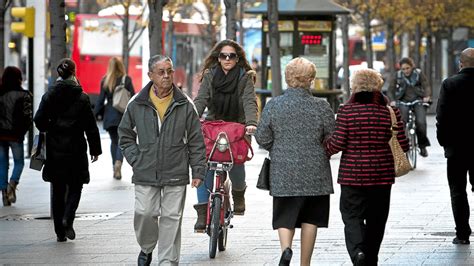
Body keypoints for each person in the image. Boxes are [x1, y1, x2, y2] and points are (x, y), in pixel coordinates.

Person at [118, 55, 206, 265]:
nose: (167, 76)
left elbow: (195, 139)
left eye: (169, 70)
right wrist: (136, 159)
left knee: (171, 219)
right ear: (150, 75)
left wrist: (198, 170)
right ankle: (147, 247)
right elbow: (124, 135)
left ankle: (167, 261)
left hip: (175, 170)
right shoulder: (136, 103)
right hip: (145, 170)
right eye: (161, 72)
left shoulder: (185, 104)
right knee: (144, 212)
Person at [255, 57, 335, 266]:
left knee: (284, 216)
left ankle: (286, 249)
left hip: (283, 171)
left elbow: (262, 138)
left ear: (287, 78)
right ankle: (305, 263)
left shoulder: (274, 105)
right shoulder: (322, 106)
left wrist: (278, 147)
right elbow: (332, 137)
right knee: (311, 219)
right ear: (311, 79)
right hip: (315, 172)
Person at [325, 69, 409, 265]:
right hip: (381, 175)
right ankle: (371, 258)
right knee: (377, 220)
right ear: (378, 86)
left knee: (352, 216)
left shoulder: (347, 111)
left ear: (355, 87)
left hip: (352, 175)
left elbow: (337, 144)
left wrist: (324, 148)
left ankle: (358, 254)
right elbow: (403, 144)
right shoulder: (390, 111)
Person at [34, 58, 102, 242]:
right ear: (74, 73)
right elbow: (91, 126)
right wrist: (95, 149)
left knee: (57, 188)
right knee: (75, 185)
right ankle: (68, 218)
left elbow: (38, 120)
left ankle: (59, 232)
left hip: (55, 149)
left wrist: (52, 127)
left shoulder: (49, 96)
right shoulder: (82, 97)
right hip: (76, 148)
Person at [192, 39, 258, 230]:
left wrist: (251, 124)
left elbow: (249, 102)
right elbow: (201, 100)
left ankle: (238, 194)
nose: (227, 59)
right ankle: (203, 212)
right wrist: (192, 118)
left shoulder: (245, 77)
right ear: (218, 58)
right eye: (223, 55)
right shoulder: (210, 76)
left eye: (231, 56)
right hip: (214, 127)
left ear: (238, 59)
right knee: (205, 166)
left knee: (236, 162)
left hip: (239, 127)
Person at [436, 47, 474, 245]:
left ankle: (462, 233)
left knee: (458, 190)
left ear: (460, 64)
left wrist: (444, 142)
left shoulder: (450, 84)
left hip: (457, 148)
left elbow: (441, 116)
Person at [94, 57, 135, 180]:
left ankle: (114, 166)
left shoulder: (105, 80)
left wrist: (93, 115)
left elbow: (100, 100)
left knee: (114, 141)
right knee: (121, 142)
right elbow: (133, 97)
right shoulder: (126, 79)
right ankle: (118, 162)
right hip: (122, 115)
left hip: (110, 115)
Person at [0, 66, 32, 206]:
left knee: (2, 163)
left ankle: (4, 195)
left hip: (0, 135)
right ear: (19, 78)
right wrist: (22, 131)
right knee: (19, 162)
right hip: (16, 135)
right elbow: (28, 117)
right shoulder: (25, 95)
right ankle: (11, 186)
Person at [388, 57, 431, 157]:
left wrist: (427, 96)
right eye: (403, 69)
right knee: (402, 122)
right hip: (403, 101)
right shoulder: (397, 75)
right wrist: (392, 100)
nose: (405, 71)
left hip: (418, 100)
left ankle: (422, 146)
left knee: (421, 122)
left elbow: (426, 85)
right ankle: (402, 146)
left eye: (407, 68)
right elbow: (391, 89)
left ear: (412, 67)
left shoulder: (419, 74)